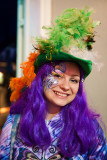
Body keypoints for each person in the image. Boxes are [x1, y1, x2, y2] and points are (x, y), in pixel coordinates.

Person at [0, 7, 107, 160]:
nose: (65, 86)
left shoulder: (90, 129)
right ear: (42, 77)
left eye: (74, 80)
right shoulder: (14, 123)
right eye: (57, 75)